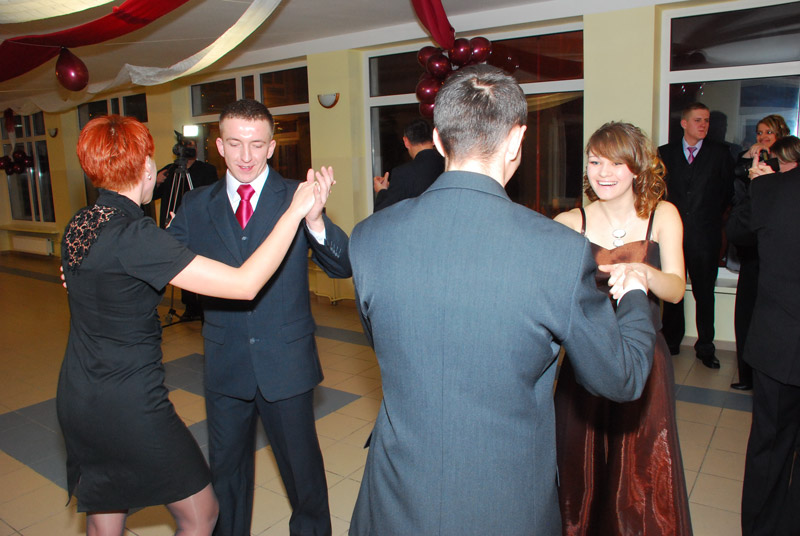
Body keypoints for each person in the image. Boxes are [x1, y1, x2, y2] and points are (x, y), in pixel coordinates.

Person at [348, 64, 656, 535]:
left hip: (395, 493)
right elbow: (621, 378)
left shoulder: (370, 236)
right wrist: (634, 294)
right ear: (516, 140)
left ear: (439, 139)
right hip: (506, 499)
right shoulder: (558, 251)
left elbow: (387, 341)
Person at [57, 115, 322, 536]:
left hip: (78, 393)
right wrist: (294, 214)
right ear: (147, 168)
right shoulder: (136, 235)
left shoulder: (81, 225)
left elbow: (91, 277)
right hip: (129, 398)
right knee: (201, 514)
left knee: (106, 510)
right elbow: (245, 284)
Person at [168, 98, 352, 536]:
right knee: (226, 478)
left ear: (271, 147)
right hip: (225, 362)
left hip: (286, 363)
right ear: (219, 146)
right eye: (235, 144)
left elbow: (342, 265)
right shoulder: (196, 205)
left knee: (304, 479)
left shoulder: (297, 195)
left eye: (256, 145)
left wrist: (317, 220)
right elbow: (157, 262)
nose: (246, 156)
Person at [553, 122, 692, 535]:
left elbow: (676, 290)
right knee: (579, 470)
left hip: (644, 359)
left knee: (641, 475)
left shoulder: (663, 215)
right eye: (595, 161)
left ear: (637, 167)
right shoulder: (568, 222)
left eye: (616, 162)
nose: (604, 172)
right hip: (585, 360)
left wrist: (643, 274)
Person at [740, 135, 800, 536]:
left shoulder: (772, 189)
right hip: (780, 341)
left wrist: (756, 186)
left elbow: (738, 233)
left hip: (780, 341)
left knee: (771, 445)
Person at [658, 102, 734, 368]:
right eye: (698, 120)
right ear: (684, 123)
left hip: (706, 236)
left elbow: (727, 193)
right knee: (673, 292)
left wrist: (708, 217)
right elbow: (659, 192)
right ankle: (671, 342)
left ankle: (705, 347)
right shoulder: (665, 153)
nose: (704, 125)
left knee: (704, 294)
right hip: (673, 236)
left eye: (707, 121)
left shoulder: (720, 154)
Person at [725, 114, 790, 390]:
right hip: (751, 250)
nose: (763, 137)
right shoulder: (751, 160)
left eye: (769, 133)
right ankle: (746, 375)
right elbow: (735, 188)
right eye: (760, 132)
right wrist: (748, 160)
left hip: (777, 256)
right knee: (745, 313)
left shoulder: (786, 170)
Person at [154, 138, 220, 320]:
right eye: (186, 146)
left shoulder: (206, 170)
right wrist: (157, 182)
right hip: (176, 226)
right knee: (181, 265)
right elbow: (152, 195)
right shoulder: (170, 170)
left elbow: (214, 195)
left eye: (192, 146)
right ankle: (190, 307)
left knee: (202, 266)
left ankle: (206, 308)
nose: (189, 149)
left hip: (200, 224)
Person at [372, 118, 444, 211]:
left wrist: (382, 192)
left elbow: (383, 214)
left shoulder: (403, 174)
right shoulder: (448, 165)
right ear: (434, 139)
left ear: (406, 141)